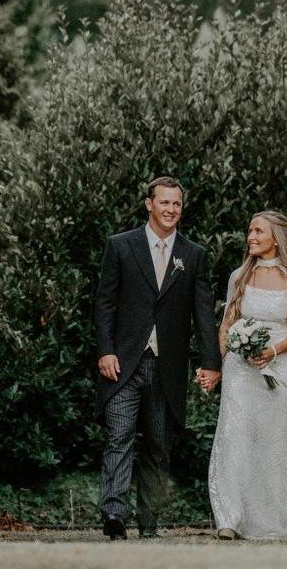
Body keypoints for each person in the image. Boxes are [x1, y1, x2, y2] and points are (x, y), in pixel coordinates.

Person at [95, 176, 222, 540]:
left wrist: (211, 362)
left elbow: (203, 312)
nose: (171, 209)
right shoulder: (120, 245)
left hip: (168, 366)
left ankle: (149, 523)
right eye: (164, 202)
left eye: (176, 204)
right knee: (119, 437)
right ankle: (115, 515)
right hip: (123, 363)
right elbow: (105, 303)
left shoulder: (193, 255)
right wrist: (105, 350)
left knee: (158, 446)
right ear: (149, 204)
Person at [206, 210, 287, 540]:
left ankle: (270, 520)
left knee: (274, 442)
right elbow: (226, 324)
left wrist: (274, 350)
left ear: (276, 238)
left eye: (258, 231)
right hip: (240, 370)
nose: (251, 237)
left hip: (280, 367)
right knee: (235, 437)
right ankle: (229, 519)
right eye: (250, 231)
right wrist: (218, 366)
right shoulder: (239, 277)